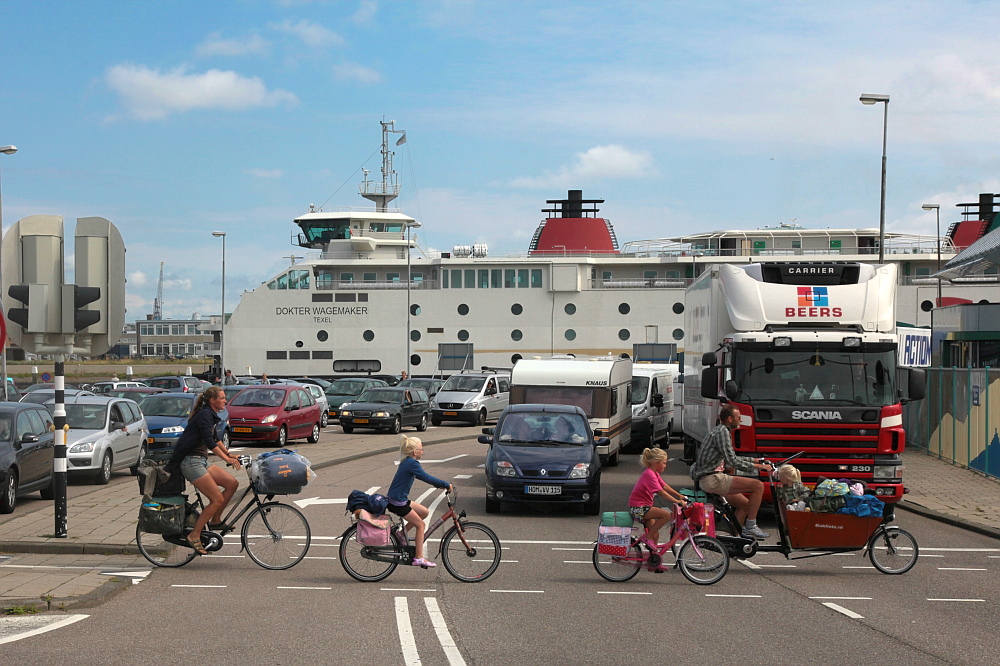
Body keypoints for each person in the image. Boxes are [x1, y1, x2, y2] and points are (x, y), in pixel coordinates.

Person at [168, 386, 243, 554]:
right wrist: (227, 460)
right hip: (191, 463)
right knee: (216, 499)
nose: (225, 401)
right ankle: (194, 535)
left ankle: (215, 520)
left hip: (201, 461)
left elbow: (216, 439)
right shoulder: (204, 415)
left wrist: (231, 454)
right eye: (222, 398)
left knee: (232, 484)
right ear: (212, 400)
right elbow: (210, 442)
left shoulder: (210, 415)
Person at [690, 405, 773, 539]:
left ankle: (735, 540)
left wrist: (756, 460)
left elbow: (732, 457)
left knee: (744, 505)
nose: (740, 420)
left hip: (710, 478)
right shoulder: (722, 432)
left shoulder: (720, 431)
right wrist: (758, 467)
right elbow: (732, 461)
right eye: (738, 418)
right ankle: (751, 526)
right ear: (730, 419)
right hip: (713, 479)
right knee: (758, 486)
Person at [386, 434, 453, 568]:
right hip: (397, 502)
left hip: (398, 499)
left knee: (424, 512)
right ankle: (419, 558)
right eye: (421, 449)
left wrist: (440, 485)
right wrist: (445, 484)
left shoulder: (407, 461)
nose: (423, 451)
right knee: (421, 525)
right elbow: (425, 477)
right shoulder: (412, 463)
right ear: (415, 452)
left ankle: (400, 534)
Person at [628, 448, 687, 544]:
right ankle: (648, 536)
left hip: (644, 507)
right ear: (656, 463)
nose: (665, 465)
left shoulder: (654, 473)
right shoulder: (649, 474)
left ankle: (653, 557)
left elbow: (664, 486)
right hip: (638, 508)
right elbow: (661, 492)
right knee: (666, 515)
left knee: (655, 536)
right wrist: (677, 501)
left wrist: (679, 496)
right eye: (664, 463)